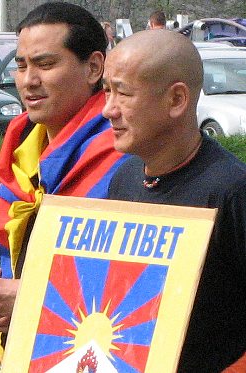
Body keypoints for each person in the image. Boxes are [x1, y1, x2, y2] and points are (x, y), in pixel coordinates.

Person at [0, 1, 128, 361]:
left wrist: (32, 295)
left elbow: (141, 287)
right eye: (21, 65)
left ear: (93, 67)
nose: (28, 80)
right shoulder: (20, 147)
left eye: (45, 64)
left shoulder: (127, 154)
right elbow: (10, 260)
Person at [102, 29, 246, 372]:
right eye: (106, 91)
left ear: (176, 100)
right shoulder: (124, 178)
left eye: (123, 93)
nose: (108, 109)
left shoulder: (233, 191)